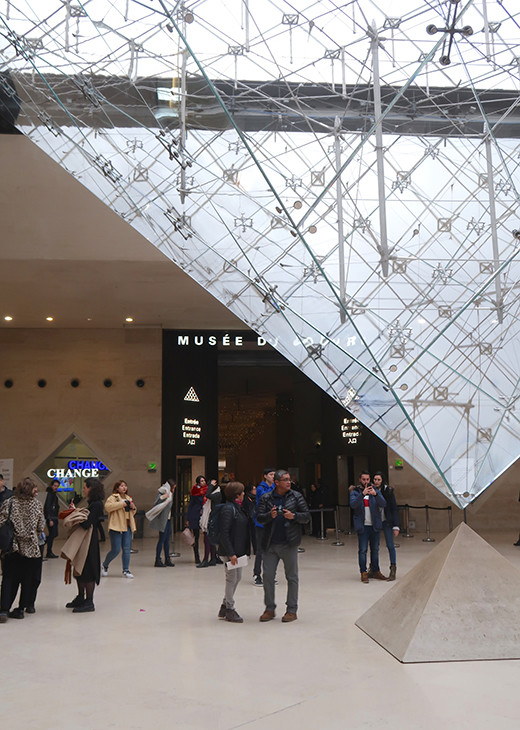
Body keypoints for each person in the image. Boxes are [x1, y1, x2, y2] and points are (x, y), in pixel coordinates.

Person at [257, 469, 310, 623]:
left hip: (289, 543)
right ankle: (269, 608)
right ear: (277, 483)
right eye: (285, 479)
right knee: (267, 577)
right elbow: (259, 518)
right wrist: (269, 515)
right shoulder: (266, 498)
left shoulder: (296, 496)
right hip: (270, 544)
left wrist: (294, 516)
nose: (289, 482)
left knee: (292, 577)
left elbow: (306, 516)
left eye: (289, 479)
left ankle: (291, 610)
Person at [0, 477, 45, 622]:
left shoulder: (9, 503)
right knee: (27, 580)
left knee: (8, 578)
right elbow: (40, 527)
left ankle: (3, 610)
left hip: (12, 547)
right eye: (35, 490)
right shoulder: (37, 505)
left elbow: (1, 522)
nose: (36, 493)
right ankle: (20, 609)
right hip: (31, 548)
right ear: (30, 490)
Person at [64, 476, 105, 613]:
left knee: (87, 569)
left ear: (91, 489)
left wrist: (76, 513)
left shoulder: (97, 504)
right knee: (80, 568)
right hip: (84, 540)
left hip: (89, 542)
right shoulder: (92, 503)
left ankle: (89, 601)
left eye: (85, 487)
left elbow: (87, 523)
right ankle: (81, 597)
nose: (83, 489)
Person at [217, 481, 251, 623]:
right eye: (242, 492)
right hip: (230, 551)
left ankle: (225, 605)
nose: (244, 494)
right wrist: (231, 553)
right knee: (231, 579)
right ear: (237, 495)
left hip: (237, 550)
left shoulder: (237, 507)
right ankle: (230, 609)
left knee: (237, 578)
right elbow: (224, 533)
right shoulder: (228, 509)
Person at [349, 471, 387, 583]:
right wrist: (362, 494)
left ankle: (376, 570)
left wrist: (375, 494)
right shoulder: (355, 492)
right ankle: (363, 572)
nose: (366, 481)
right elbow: (353, 505)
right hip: (363, 526)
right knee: (363, 550)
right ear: (360, 480)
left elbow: (383, 503)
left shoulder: (375, 490)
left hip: (374, 525)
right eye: (364, 479)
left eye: (367, 479)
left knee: (375, 549)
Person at [101, 480, 137, 579]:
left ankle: (126, 570)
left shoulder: (129, 498)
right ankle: (105, 565)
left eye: (125, 486)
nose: (124, 488)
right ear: (117, 488)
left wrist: (133, 508)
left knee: (126, 549)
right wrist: (122, 504)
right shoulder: (113, 498)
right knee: (116, 549)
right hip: (116, 527)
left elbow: (132, 513)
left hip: (127, 526)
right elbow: (108, 508)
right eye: (121, 486)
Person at [372, 471, 399, 581]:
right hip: (376, 521)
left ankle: (393, 568)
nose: (376, 482)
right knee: (374, 546)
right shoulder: (371, 490)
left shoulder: (388, 491)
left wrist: (396, 525)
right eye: (375, 479)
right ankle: (374, 568)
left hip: (387, 521)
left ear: (382, 480)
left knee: (390, 545)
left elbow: (393, 508)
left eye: (378, 479)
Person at [253, 467, 275, 586]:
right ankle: (257, 574)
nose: (273, 477)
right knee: (260, 550)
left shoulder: (274, 487)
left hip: (272, 522)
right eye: (271, 474)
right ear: (265, 476)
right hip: (261, 523)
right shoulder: (261, 489)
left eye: (274, 475)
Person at [148, 479, 176, 567]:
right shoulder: (163, 492)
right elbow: (156, 502)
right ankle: (157, 559)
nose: (174, 490)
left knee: (167, 540)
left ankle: (167, 559)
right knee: (162, 539)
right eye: (174, 488)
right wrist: (164, 497)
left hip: (167, 519)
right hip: (162, 519)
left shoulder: (170, 494)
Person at [186, 475, 207, 565]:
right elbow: (191, 505)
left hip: (205, 514)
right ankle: (197, 556)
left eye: (204, 480)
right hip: (195, 514)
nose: (203, 482)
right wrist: (188, 518)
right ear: (198, 482)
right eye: (201, 481)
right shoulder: (194, 491)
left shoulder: (207, 490)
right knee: (196, 537)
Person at [44, 478, 60, 558]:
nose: (56, 487)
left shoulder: (54, 494)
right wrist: (49, 518)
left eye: (57, 486)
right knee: (52, 534)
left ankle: (44, 543)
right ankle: (48, 550)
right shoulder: (50, 495)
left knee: (54, 534)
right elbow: (47, 507)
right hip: (51, 517)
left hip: (54, 517)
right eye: (55, 486)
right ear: (51, 486)